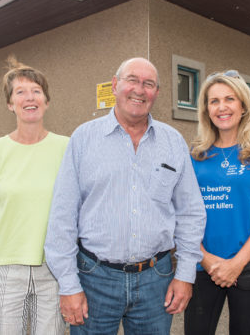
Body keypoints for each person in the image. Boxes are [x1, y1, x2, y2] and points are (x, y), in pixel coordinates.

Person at [44, 57, 206, 334]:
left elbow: (190, 212)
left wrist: (186, 274)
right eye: (132, 80)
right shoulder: (84, 139)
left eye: (149, 84)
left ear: (157, 92)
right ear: (115, 85)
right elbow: (63, 215)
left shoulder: (173, 142)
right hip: (94, 278)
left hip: (157, 279)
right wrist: (69, 285)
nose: (139, 90)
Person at [184, 70, 250, 335]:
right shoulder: (195, 156)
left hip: (249, 266)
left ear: (243, 106)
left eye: (229, 99)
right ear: (206, 109)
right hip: (202, 266)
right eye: (214, 101)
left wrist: (237, 263)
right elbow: (181, 215)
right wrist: (206, 260)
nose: (222, 107)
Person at [0, 56, 68, 334]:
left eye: (36, 91)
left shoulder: (66, 147)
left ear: (47, 101)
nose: (30, 97)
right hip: (5, 267)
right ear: (10, 104)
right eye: (21, 92)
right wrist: (12, 246)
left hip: (53, 267)